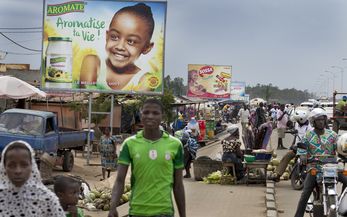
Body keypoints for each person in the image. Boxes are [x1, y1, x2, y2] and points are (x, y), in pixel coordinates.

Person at [108, 98, 186, 217]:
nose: (150, 116)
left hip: (164, 212)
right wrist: (113, 207)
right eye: (146, 112)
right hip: (137, 211)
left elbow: (178, 185)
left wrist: (183, 215)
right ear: (141, 114)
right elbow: (119, 181)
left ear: (162, 116)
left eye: (155, 113)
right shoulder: (129, 144)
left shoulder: (175, 145)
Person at [80, 3, 155, 91]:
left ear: (147, 48)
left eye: (131, 41)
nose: (120, 46)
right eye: (114, 37)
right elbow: (86, 97)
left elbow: (137, 104)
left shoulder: (145, 79)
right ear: (107, 36)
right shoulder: (93, 62)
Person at [294, 108, 347, 217]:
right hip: (315, 168)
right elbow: (301, 148)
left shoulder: (332, 134)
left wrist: (344, 153)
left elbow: (340, 147)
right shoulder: (308, 135)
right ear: (313, 122)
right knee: (305, 193)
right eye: (318, 120)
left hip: (331, 168)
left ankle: (342, 204)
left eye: (323, 119)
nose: (321, 122)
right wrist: (303, 155)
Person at [0, 140, 65, 216]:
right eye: (11, 165)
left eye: (24, 165)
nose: (18, 171)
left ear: (32, 166)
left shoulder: (48, 200)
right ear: (4, 167)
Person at [270, 109, 312, 182]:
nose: (297, 122)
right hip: (297, 147)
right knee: (287, 156)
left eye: (298, 120)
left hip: (307, 149)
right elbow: (296, 136)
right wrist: (292, 145)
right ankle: (277, 174)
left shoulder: (310, 128)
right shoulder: (296, 125)